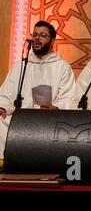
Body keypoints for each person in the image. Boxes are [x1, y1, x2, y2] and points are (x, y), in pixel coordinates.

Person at [0, 20, 75, 161]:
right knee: (0, 121)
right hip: (21, 121)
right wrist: (3, 107)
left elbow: (69, 97)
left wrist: (56, 108)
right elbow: (6, 93)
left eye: (42, 35)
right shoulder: (21, 66)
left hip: (48, 119)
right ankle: (5, 163)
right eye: (35, 34)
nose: (37, 38)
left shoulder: (62, 66)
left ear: (52, 41)